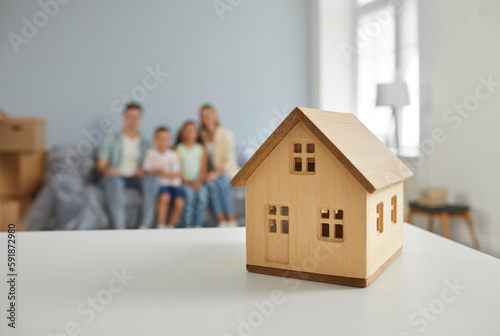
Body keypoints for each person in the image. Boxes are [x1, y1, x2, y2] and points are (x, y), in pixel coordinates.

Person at [97, 102, 157, 229]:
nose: (133, 120)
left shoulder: (147, 142)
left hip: (137, 177)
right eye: (130, 116)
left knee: (152, 180)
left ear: (140, 119)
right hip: (117, 176)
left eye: (136, 117)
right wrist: (108, 169)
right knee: (113, 181)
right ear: (123, 117)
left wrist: (144, 170)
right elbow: (100, 165)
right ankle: (120, 228)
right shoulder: (111, 139)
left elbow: (153, 165)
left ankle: (145, 226)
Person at [199, 104, 239, 227]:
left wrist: (215, 174)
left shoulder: (226, 134)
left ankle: (231, 220)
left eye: (209, 115)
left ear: (215, 116)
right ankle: (221, 221)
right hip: (212, 174)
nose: (207, 119)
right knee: (211, 185)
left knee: (223, 183)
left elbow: (229, 160)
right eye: (203, 117)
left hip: (227, 171)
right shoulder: (202, 136)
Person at [143, 127, 185, 228]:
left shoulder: (174, 154)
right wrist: (164, 172)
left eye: (166, 139)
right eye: (160, 139)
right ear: (154, 140)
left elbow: (175, 174)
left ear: (170, 141)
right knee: (164, 198)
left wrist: (158, 171)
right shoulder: (151, 153)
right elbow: (146, 169)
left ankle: (171, 225)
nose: (163, 142)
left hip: (175, 185)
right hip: (162, 185)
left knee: (179, 202)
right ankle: (160, 225)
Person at [176, 121, 208, 228]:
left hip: (198, 182)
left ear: (197, 134)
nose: (190, 133)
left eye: (193, 130)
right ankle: (187, 226)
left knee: (202, 196)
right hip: (184, 182)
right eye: (187, 130)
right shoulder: (178, 149)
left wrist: (198, 182)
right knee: (188, 196)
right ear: (183, 133)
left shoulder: (201, 149)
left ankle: (197, 225)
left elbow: (203, 169)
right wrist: (188, 182)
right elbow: (177, 169)